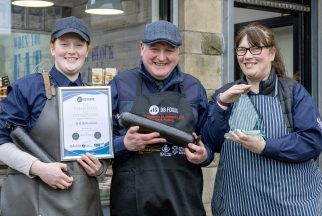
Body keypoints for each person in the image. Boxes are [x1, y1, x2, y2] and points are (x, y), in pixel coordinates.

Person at [202, 22, 322, 216]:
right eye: (242, 50)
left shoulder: (293, 93)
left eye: (256, 48)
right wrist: (221, 105)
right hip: (237, 206)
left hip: (291, 206)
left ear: (272, 53)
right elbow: (210, 142)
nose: (247, 56)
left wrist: (265, 146)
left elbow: (312, 141)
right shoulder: (225, 94)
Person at [0, 16, 107, 215]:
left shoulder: (97, 97)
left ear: (87, 51)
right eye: (64, 44)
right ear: (52, 48)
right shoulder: (28, 87)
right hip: (34, 202)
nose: (71, 51)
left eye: (79, 44)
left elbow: (105, 148)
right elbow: (1, 141)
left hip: (83, 203)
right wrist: (38, 168)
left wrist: (99, 168)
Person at [109, 20, 209, 216]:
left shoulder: (194, 88)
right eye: (155, 49)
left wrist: (204, 155)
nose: (161, 57)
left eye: (169, 50)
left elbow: (209, 142)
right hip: (132, 202)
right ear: (141, 48)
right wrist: (124, 144)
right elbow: (100, 144)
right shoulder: (120, 85)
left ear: (178, 52)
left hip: (183, 201)